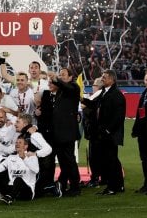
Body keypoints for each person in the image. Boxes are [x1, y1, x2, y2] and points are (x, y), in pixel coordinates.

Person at [48, 69, 82, 197]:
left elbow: (65, 86)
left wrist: (56, 78)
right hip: (59, 132)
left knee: (69, 160)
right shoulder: (61, 91)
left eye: (63, 75)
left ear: (70, 77)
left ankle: (75, 187)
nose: (61, 77)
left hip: (67, 132)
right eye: (60, 75)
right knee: (63, 160)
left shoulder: (73, 87)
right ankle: (63, 183)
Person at [95, 70, 126, 195]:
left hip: (110, 134)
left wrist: (108, 130)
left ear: (112, 80)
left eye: (104, 77)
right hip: (104, 132)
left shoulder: (117, 95)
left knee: (111, 160)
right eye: (102, 76)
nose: (102, 79)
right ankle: (118, 185)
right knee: (111, 159)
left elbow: (119, 117)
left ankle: (113, 186)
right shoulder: (104, 92)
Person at [0, 135, 40, 204]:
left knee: (18, 179)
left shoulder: (32, 156)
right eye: (16, 142)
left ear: (25, 146)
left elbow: (36, 170)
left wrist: (24, 158)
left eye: (20, 142)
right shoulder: (10, 157)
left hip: (27, 191)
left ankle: (10, 197)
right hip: (12, 187)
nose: (17, 144)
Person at [81, 77, 104, 187]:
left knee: (94, 156)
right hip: (94, 131)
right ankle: (100, 177)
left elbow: (89, 111)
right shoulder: (97, 97)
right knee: (96, 155)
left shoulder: (96, 97)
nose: (92, 87)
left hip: (94, 132)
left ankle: (95, 178)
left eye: (94, 85)